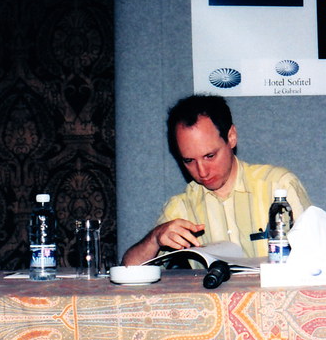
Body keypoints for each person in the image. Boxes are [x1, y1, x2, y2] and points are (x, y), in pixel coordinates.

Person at [122, 94, 311, 265]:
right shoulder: (181, 208)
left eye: (210, 156)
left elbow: (319, 257)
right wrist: (155, 238)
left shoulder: (279, 186)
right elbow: (128, 269)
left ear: (231, 137)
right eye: (189, 161)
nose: (202, 172)